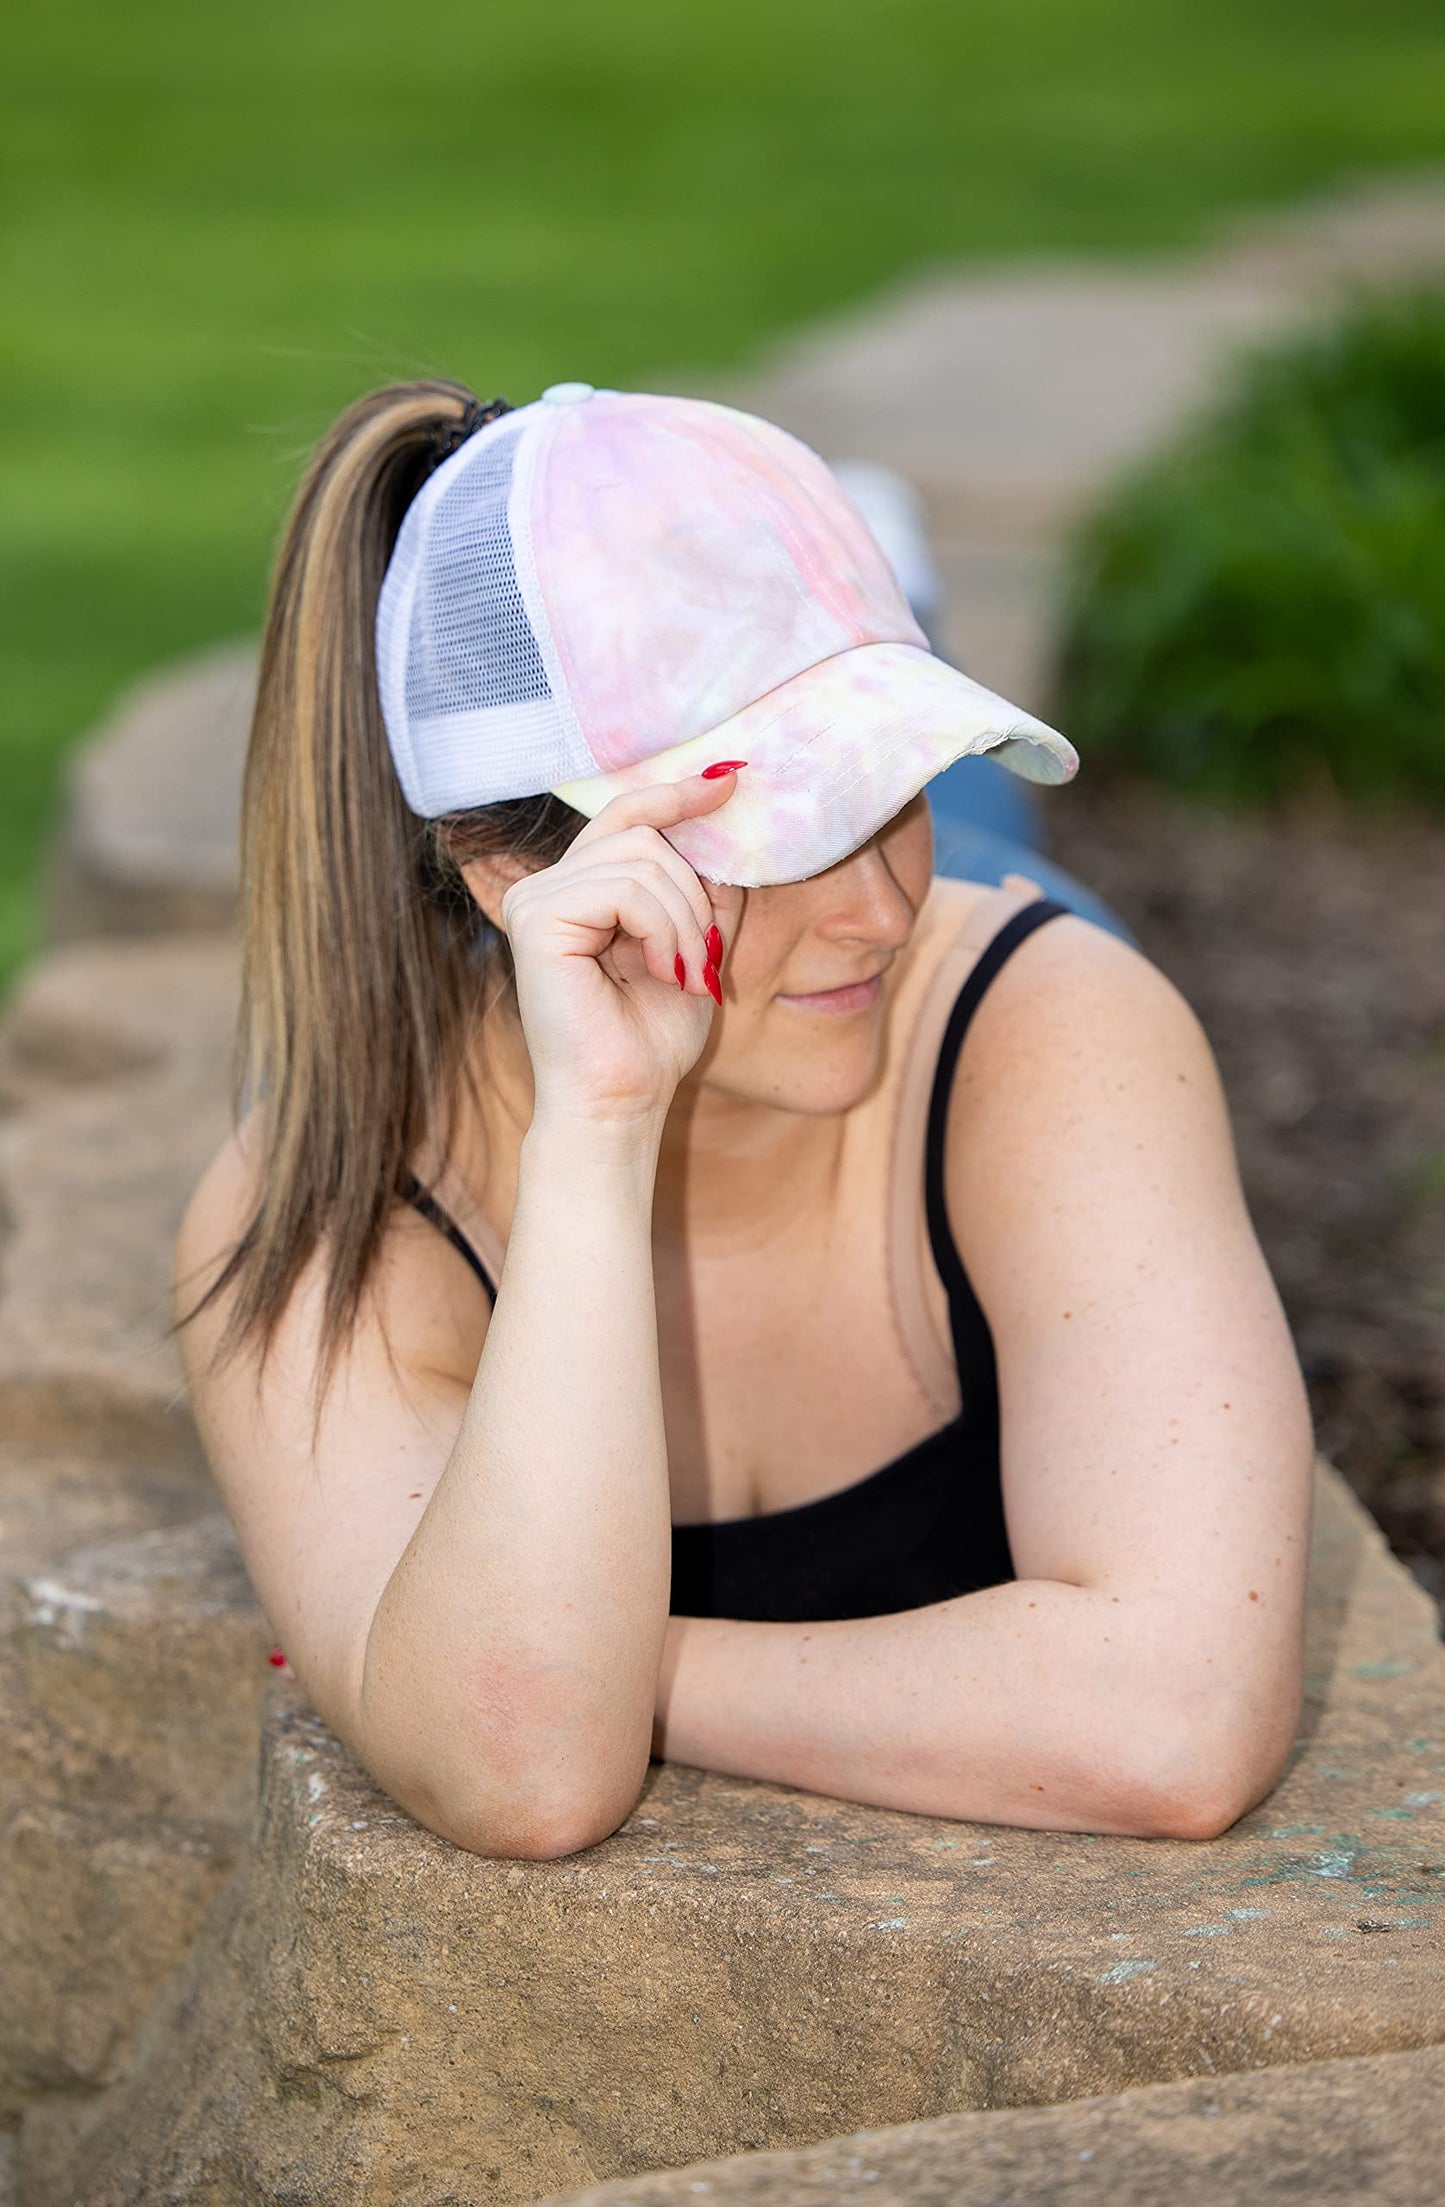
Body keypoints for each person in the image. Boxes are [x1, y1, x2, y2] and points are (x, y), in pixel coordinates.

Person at [175, 378, 1315, 1862]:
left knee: (984, 847)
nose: (873, 899)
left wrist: (596, 1666)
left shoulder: (1041, 1025)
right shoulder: (330, 1220)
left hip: (954, 1013)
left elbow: (1174, 1728)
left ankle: (892, 612)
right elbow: (524, 1773)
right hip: (702, 1022)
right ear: (510, 877)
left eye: (888, 777)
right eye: (776, 833)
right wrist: (595, 1134)